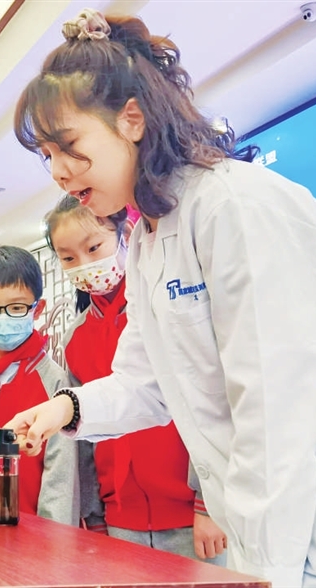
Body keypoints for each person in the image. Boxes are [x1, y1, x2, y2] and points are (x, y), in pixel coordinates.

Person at [6, 9, 316, 586]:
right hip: (265, 528)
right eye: (46, 155)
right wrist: (64, 409)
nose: (58, 172)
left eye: (68, 145)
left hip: (302, 528)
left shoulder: (234, 206)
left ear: (131, 119)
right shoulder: (150, 240)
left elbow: (276, 409)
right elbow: (145, 382)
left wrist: (266, 574)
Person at [44, 195, 227, 562]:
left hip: (192, 516)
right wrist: (94, 513)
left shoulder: (165, 311)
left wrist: (209, 502)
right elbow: (84, 439)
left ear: (125, 234)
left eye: (94, 247)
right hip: (119, 518)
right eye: (68, 258)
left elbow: (209, 399)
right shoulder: (76, 337)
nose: (85, 265)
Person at [0, 245, 79, 525]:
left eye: (16, 307)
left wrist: (52, 539)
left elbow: (61, 481)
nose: (3, 318)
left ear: (37, 309)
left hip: (37, 535)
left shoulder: (56, 384)